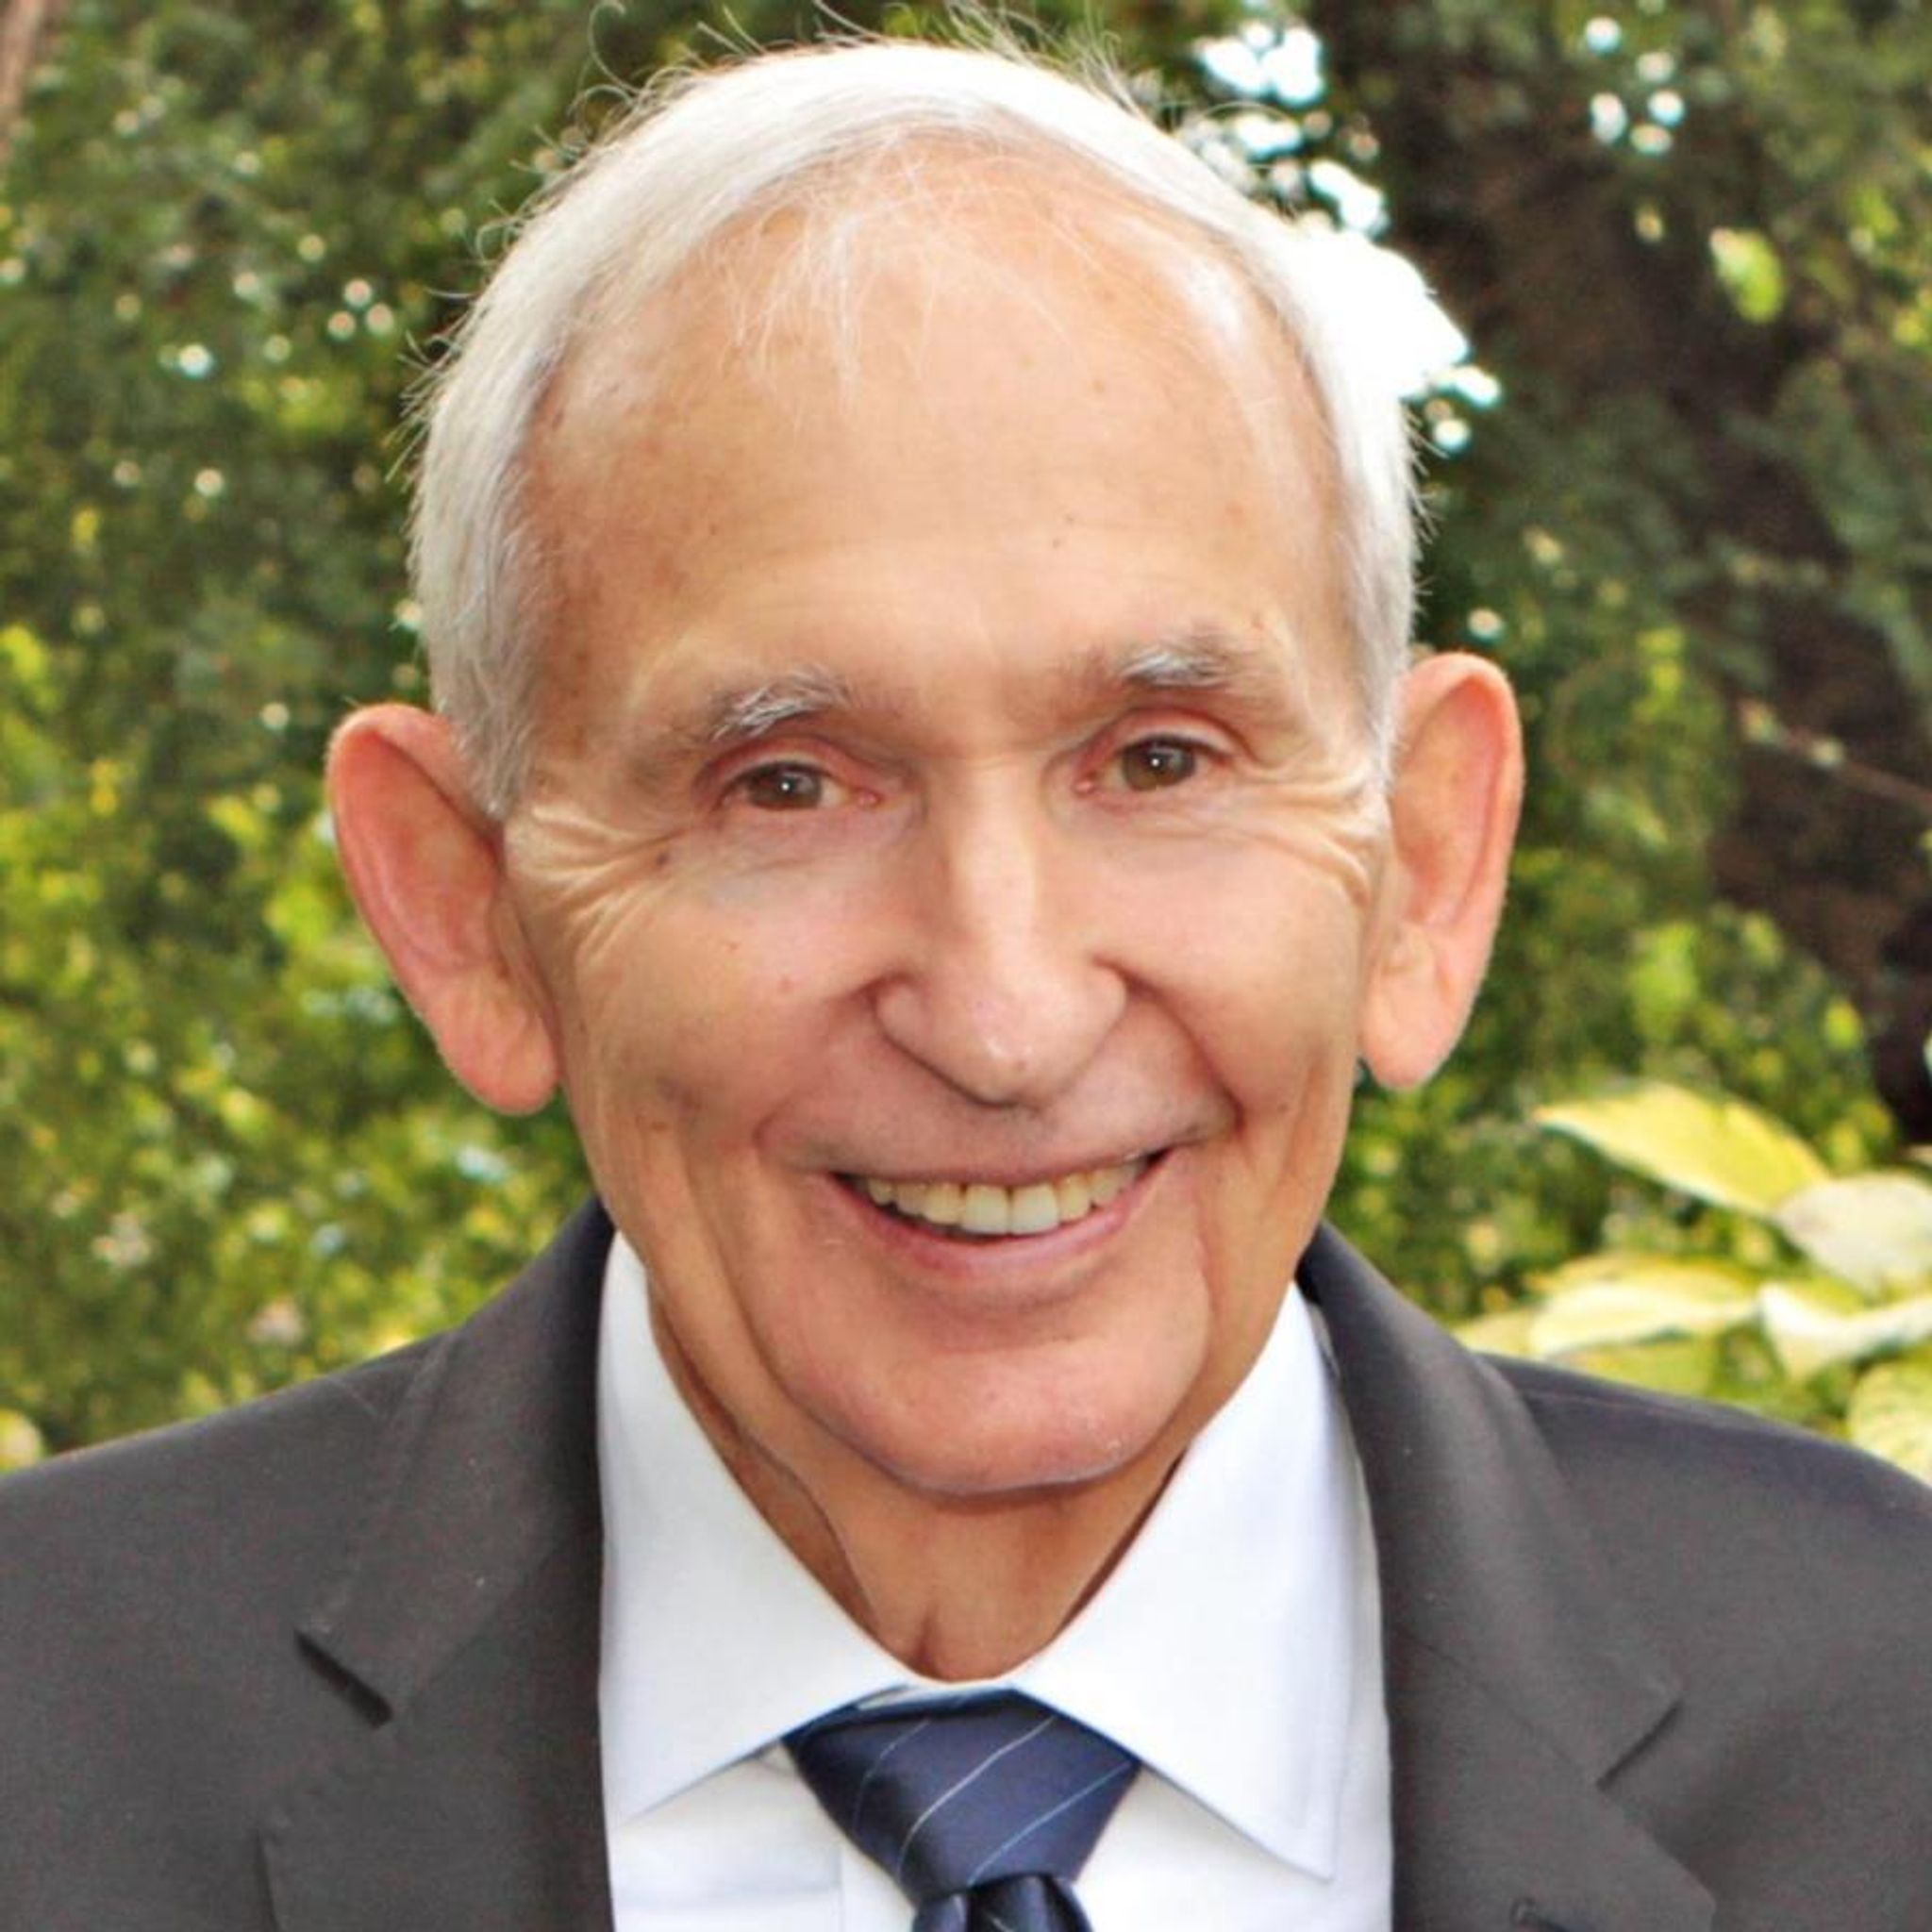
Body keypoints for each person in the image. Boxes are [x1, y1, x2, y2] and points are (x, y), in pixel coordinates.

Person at [4, 36, 1930, 1932]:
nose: (1006, 1019)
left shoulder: (1887, 1725)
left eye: (1158, 760)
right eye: (784, 786)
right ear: (468, 912)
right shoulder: (44, 1741)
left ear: (1422, 864)